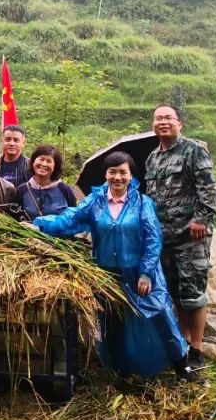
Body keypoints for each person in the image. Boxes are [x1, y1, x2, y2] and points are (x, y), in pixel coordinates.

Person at [33, 152, 199, 382]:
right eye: (112, 172)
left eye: (123, 172)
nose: (117, 177)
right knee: (112, 322)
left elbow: (153, 239)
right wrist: (40, 225)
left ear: (131, 176)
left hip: (138, 272)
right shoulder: (95, 201)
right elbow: (70, 219)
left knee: (160, 314)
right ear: (106, 174)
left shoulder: (142, 203)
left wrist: (146, 273)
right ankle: (118, 369)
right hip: (107, 273)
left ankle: (182, 365)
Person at [144, 104, 216, 375]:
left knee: (193, 293)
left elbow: (210, 191)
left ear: (180, 123)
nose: (163, 122)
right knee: (174, 292)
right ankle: (185, 343)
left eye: (168, 118)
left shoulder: (193, 150)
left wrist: (200, 220)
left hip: (191, 236)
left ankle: (198, 349)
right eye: (158, 118)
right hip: (164, 237)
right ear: (153, 125)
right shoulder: (152, 158)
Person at [16, 144, 81, 220]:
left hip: (59, 232)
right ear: (33, 162)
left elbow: (74, 219)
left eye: (49, 161)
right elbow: (17, 218)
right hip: (27, 231)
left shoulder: (64, 189)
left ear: (55, 167)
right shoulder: (22, 190)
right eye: (41, 159)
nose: (44, 164)